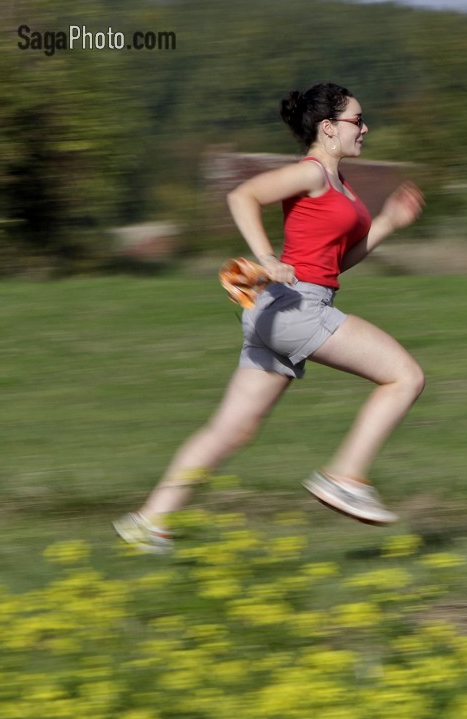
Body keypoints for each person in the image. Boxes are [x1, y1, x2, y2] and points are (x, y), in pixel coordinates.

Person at [115, 82, 426, 552]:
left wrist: (386, 223)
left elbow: (334, 263)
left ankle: (149, 522)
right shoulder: (312, 173)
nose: (365, 128)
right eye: (357, 120)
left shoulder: (340, 185)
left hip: (277, 310)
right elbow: (243, 195)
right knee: (404, 376)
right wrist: (266, 255)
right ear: (327, 128)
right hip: (296, 305)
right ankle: (345, 476)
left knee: (232, 430)